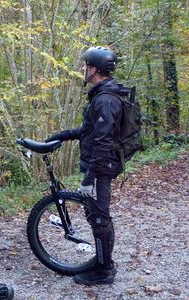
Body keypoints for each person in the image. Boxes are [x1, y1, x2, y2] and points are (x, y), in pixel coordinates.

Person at [45, 46, 130, 285]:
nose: (82, 69)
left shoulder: (105, 99)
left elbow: (102, 142)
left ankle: (103, 271)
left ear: (94, 69)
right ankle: (104, 264)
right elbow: (88, 131)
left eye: (85, 66)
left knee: (100, 218)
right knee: (96, 215)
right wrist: (62, 135)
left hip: (100, 167)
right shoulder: (102, 95)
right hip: (99, 165)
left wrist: (89, 177)